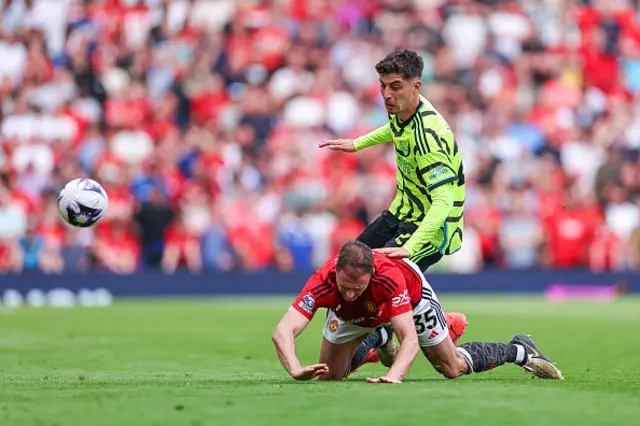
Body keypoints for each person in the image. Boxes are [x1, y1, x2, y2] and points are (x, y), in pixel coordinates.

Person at [319, 48, 467, 370]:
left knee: (381, 282)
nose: (387, 94)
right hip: (400, 213)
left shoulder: (431, 136)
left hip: (431, 229)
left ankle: (428, 328)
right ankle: (384, 336)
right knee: (350, 266)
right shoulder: (400, 109)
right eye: (383, 85)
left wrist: (411, 248)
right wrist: (358, 143)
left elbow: (442, 203)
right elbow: (395, 131)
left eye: (395, 86)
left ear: (417, 86)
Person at [272, 241, 563, 383]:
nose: (349, 293)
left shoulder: (389, 277)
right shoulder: (323, 281)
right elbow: (283, 331)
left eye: (356, 289)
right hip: (355, 316)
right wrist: (296, 368)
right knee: (330, 377)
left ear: (371, 276)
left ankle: (518, 350)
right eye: (344, 287)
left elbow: (409, 338)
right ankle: (378, 336)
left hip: (410, 301)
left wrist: (394, 376)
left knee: (451, 368)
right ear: (335, 273)